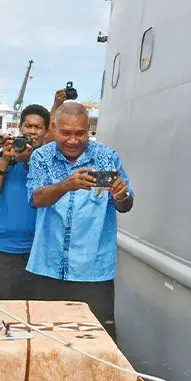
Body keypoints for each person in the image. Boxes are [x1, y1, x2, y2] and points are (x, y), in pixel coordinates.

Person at [27, 102, 134, 338]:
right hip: (47, 268)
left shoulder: (107, 157)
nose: (73, 140)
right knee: (46, 340)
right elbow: (36, 199)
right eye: (65, 133)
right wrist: (66, 185)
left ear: (89, 129)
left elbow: (126, 205)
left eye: (80, 133)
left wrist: (120, 194)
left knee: (97, 343)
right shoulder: (41, 158)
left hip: (94, 272)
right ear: (54, 128)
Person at [0, 104, 49, 300]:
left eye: (38, 127)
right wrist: (4, 160)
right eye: (28, 126)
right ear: (20, 128)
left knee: (33, 314)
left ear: (46, 132)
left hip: (37, 253)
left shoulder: (50, 161)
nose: (32, 132)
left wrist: (30, 160)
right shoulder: (6, 157)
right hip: (0, 250)